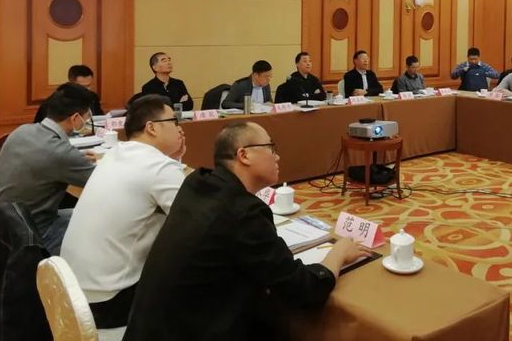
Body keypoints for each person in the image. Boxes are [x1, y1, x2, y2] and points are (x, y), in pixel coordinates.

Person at [123, 122, 369, 340]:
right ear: (244, 155)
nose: (277, 157)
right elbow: (302, 289)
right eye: (271, 148)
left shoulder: (197, 183)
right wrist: (338, 254)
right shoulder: (242, 212)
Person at [61, 95, 186, 328]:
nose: (180, 128)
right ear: (152, 128)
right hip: (109, 302)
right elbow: (195, 220)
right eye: (174, 121)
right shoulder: (158, 167)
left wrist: (175, 161)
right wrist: (174, 164)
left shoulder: (115, 153)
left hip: (72, 292)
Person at [0, 83, 96, 254]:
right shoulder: (61, 152)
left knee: (79, 214)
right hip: (35, 236)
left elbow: (47, 160)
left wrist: (74, 159)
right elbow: (104, 182)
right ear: (76, 118)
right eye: (87, 116)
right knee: (100, 223)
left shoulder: (21, 131)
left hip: (1, 228)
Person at [34, 65, 103, 123]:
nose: (86, 90)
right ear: (71, 82)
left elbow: (99, 118)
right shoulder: (54, 102)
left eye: (88, 86)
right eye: (82, 86)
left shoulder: (93, 97)